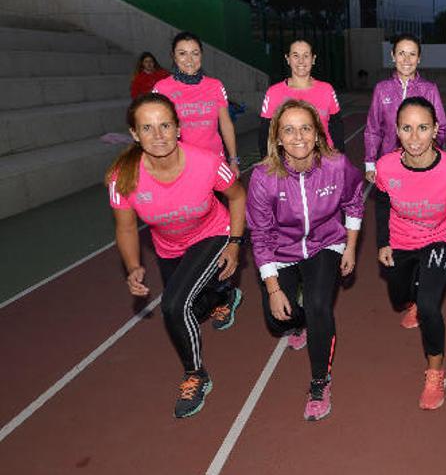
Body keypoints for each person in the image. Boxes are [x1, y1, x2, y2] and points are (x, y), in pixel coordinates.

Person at [106, 93, 246, 418]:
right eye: (148, 128)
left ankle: (195, 375)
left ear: (178, 127)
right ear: (134, 134)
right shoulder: (122, 178)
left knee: (173, 305)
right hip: (169, 247)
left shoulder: (207, 162)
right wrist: (133, 267)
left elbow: (237, 197)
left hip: (213, 233)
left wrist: (235, 244)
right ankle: (224, 295)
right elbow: (126, 229)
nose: (158, 136)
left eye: (165, 125)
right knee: (192, 311)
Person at [247, 99, 363, 421]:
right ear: (278, 138)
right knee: (278, 319)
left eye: (305, 128)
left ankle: (318, 382)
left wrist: (351, 247)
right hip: (281, 249)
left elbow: (354, 203)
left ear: (317, 134)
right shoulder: (263, 177)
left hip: (326, 243)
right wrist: (273, 290)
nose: (298, 137)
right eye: (289, 130)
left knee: (319, 306)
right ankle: (299, 321)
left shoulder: (337, 165)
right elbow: (260, 235)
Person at [375, 96, 446, 410]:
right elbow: (380, 205)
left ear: (435, 130)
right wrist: (383, 242)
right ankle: (414, 300)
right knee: (398, 296)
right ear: (397, 131)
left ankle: (435, 372)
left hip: (441, 240)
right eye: (407, 128)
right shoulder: (385, 166)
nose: (414, 137)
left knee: (430, 306)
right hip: (402, 240)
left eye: (422, 128)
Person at [153, 32, 240, 177]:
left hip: (215, 162)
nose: (189, 60)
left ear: (201, 55)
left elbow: (226, 124)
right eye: (182, 53)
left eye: (195, 53)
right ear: (173, 56)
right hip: (180, 165)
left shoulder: (215, 85)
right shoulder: (162, 88)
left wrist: (233, 160)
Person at [363, 33, 446, 183]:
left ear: (419, 58)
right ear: (393, 56)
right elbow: (373, 129)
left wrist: (425, 152)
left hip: (422, 165)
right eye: (401, 53)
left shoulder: (429, 89)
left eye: (412, 54)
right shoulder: (382, 89)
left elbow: (441, 128)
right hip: (389, 164)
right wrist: (370, 163)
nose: (406, 60)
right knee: (387, 204)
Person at [258, 39, 344, 157]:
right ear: (287, 59)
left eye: (306, 55)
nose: (301, 61)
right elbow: (265, 132)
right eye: (295, 55)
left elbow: (337, 127)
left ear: (313, 59)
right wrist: (266, 162)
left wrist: (340, 157)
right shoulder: (273, 92)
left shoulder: (327, 89)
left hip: (323, 160)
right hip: (287, 163)